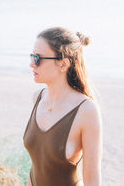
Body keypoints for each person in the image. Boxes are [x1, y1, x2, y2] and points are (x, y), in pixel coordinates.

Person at [23, 27, 102, 186]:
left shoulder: (86, 110)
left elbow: (92, 180)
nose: (32, 64)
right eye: (32, 56)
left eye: (38, 58)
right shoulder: (37, 99)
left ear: (63, 64)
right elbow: (37, 166)